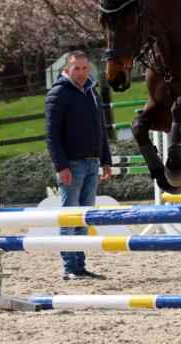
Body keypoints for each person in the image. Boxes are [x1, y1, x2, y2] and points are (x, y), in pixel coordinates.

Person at [45, 50, 112, 280]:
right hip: (72, 165)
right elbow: (52, 136)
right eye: (77, 68)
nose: (82, 73)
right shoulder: (58, 94)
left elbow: (101, 128)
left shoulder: (92, 92)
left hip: (93, 163)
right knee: (69, 218)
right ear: (67, 69)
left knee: (83, 218)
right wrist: (61, 166)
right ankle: (69, 268)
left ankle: (80, 266)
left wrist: (106, 160)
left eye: (85, 68)